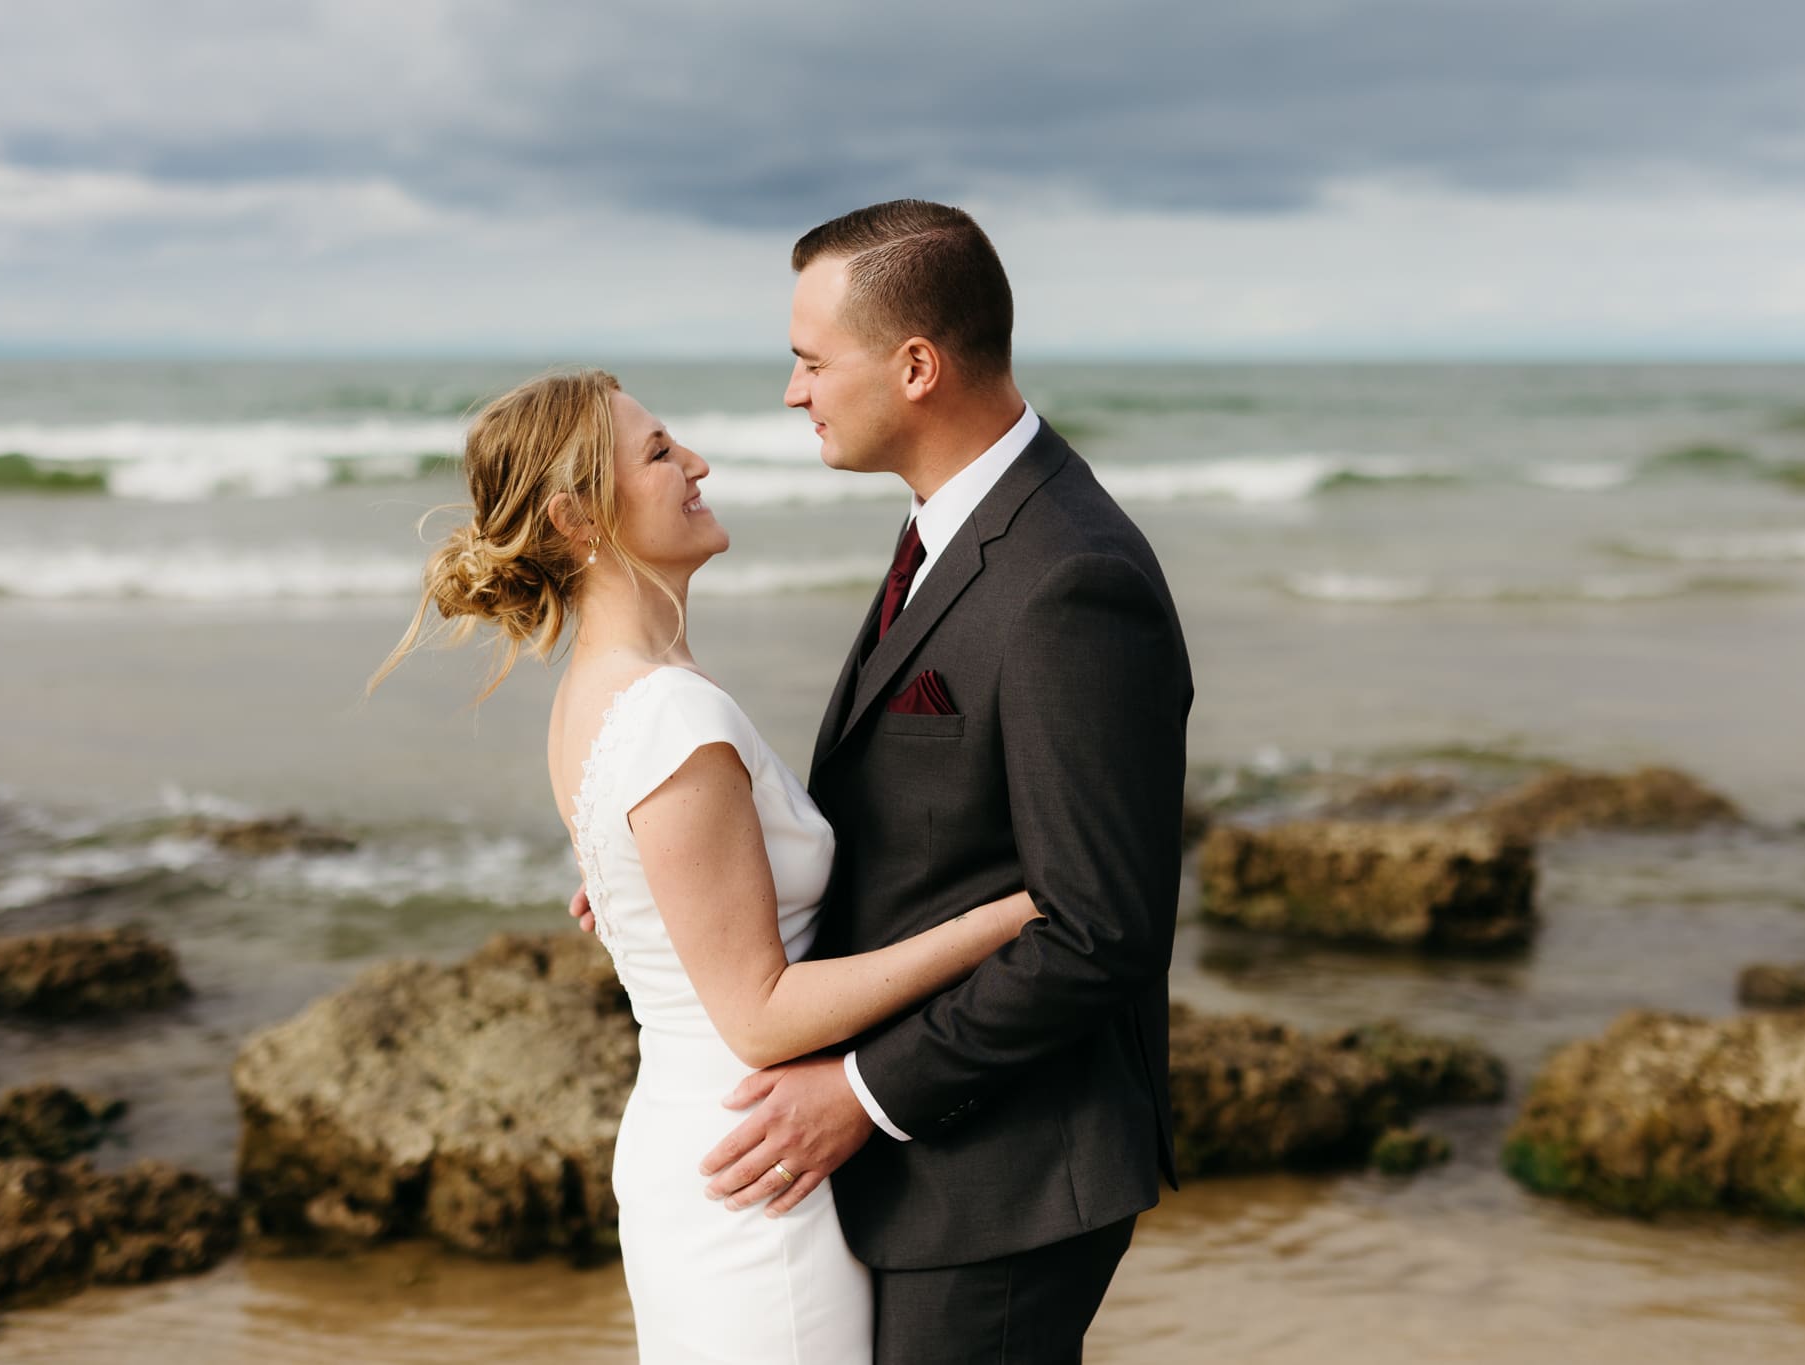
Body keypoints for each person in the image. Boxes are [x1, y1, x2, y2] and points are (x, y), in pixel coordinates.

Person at [370, 366, 1043, 1364]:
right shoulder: (664, 712)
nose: (696, 463)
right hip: (757, 1165)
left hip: (716, 1140)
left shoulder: (606, 695)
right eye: (657, 453)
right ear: (577, 518)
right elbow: (758, 1013)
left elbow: (674, 903)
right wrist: (1005, 916)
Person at [691, 199, 1195, 1363]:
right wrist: (701, 868)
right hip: (940, 1171)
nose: (793, 392)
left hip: (1005, 1179)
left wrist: (860, 1094)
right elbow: (914, 825)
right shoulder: (951, 529)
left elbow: (1099, 931)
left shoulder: (1070, 579)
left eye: (811, 362)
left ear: (915, 366)